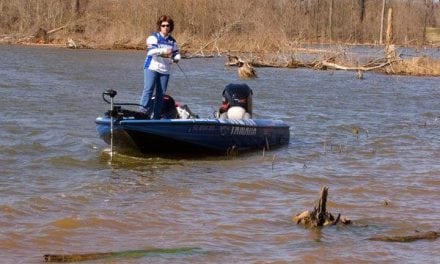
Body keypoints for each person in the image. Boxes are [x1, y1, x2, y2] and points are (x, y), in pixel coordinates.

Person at [139, 15, 181, 119]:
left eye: (168, 25)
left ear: (170, 27)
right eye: (163, 25)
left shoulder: (172, 41)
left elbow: (176, 54)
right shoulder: (153, 37)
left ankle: (156, 117)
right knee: (148, 90)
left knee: (160, 95)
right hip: (151, 68)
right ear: (160, 26)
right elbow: (151, 52)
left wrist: (176, 58)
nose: (165, 27)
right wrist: (164, 51)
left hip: (165, 70)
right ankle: (142, 112)